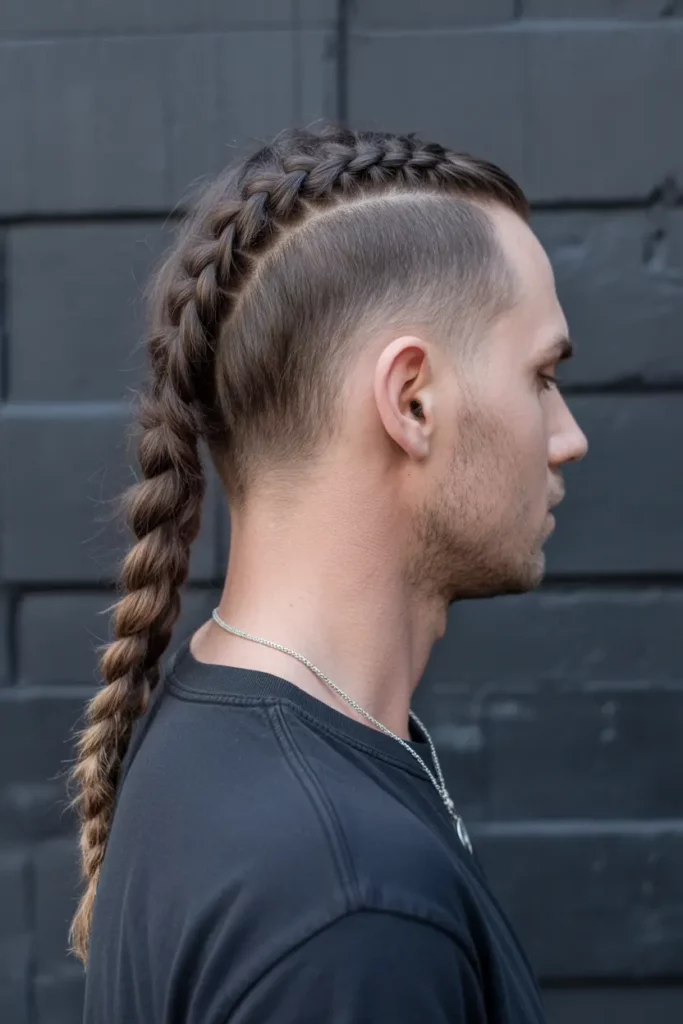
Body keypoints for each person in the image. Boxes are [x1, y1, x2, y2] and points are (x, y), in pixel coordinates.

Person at [72, 125, 588, 1022]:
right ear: (411, 402)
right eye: (541, 376)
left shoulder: (211, 726)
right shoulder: (353, 914)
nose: (567, 435)